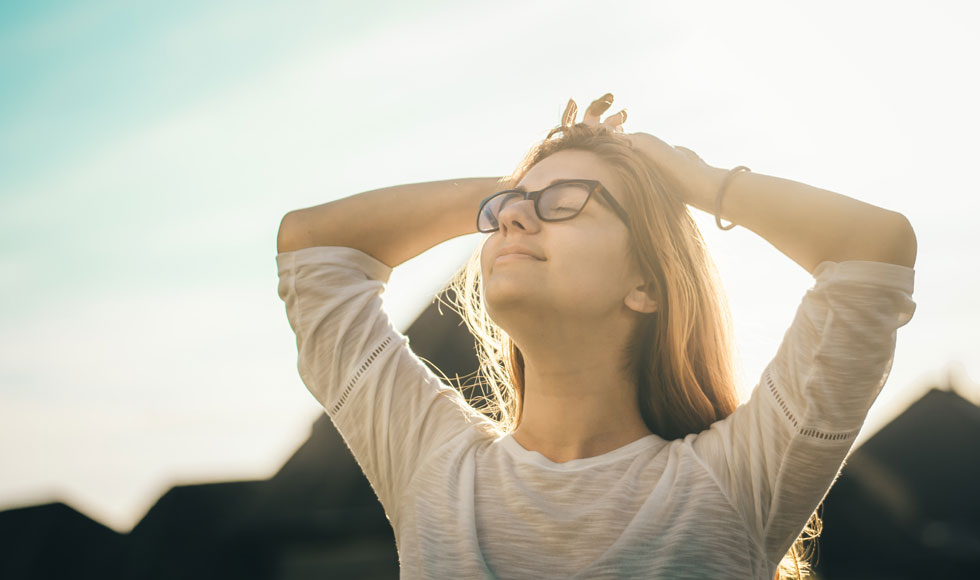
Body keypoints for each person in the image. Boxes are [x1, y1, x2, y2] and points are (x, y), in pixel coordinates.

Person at [275, 93, 917, 579]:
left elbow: (873, 249)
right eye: (506, 212)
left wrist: (696, 181)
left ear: (648, 285)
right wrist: (516, 185)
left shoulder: (735, 480)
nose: (516, 219)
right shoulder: (432, 467)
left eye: (568, 202)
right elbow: (312, 246)